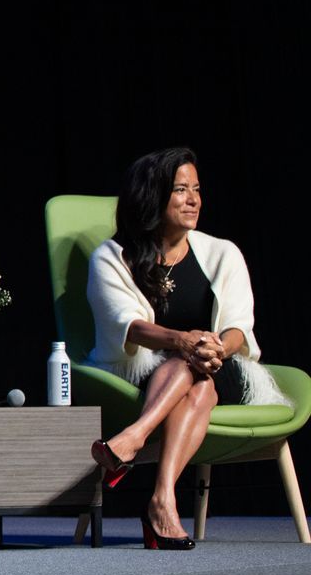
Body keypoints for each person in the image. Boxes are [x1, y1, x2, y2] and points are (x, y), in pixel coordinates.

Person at [85, 148, 286, 550]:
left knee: (199, 369)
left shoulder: (222, 252)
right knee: (198, 384)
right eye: (180, 189)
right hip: (142, 370)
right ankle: (162, 501)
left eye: (196, 189)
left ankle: (132, 439)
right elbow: (127, 325)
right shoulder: (113, 256)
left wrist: (213, 347)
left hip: (223, 364)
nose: (193, 199)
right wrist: (182, 341)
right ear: (152, 195)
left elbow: (238, 328)